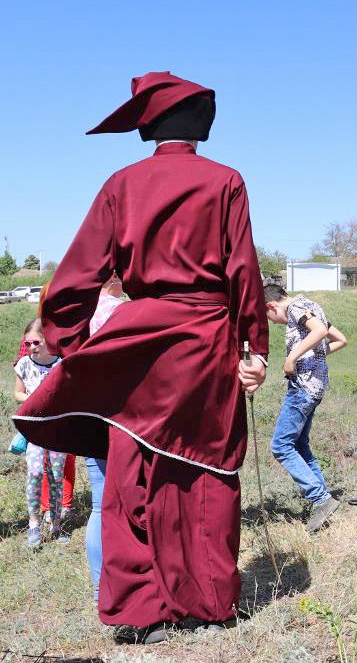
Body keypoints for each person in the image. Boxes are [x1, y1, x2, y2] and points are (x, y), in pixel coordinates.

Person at [12, 72, 268, 645]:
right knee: (205, 467)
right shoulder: (226, 181)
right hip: (206, 341)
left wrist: (77, 346)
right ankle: (207, 601)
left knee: (135, 470)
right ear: (199, 124)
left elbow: (74, 277)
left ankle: (139, 611)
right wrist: (253, 348)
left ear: (149, 126)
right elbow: (243, 272)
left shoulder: (121, 184)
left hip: (139, 343)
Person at [263, 283, 346, 533]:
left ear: (271, 306)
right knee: (299, 445)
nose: (273, 321)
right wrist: (315, 357)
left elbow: (319, 331)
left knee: (280, 446)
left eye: (268, 316)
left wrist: (292, 358)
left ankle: (320, 499)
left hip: (303, 389)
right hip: (316, 387)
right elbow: (341, 340)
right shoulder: (312, 305)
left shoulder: (296, 307)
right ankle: (324, 499)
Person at [82, 273, 125, 603]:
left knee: (99, 504)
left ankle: (101, 588)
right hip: (120, 414)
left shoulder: (80, 313)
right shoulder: (119, 310)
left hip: (86, 412)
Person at [13, 318, 67, 548]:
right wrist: (35, 400)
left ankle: (55, 524)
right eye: (28, 344)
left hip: (56, 430)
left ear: (48, 341)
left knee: (56, 475)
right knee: (34, 474)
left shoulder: (61, 365)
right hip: (34, 430)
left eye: (36, 342)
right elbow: (17, 393)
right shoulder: (24, 364)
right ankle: (34, 524)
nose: (32, 347)